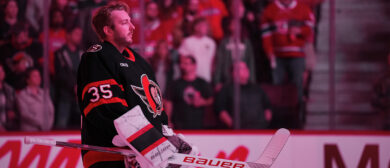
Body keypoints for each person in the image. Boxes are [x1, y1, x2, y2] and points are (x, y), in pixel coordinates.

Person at [77, 2, 194, 167]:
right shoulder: (97, 56)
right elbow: (104, 108)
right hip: (109, 156)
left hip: (141, 156)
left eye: (131, 21)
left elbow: (155, 110)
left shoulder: (141, 62)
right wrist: (146, 144)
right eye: (124, 23)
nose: (132, 27)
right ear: (108, 30)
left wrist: (166, 137)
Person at [261, 0, 315, 103]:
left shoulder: (302, 8)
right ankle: (278, 112)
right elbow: (266, 35)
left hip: (297, 54)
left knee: (297, 85)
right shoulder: (270, 10)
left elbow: (310, 27)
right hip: (277, 55)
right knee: (277, 85)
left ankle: (297, 112)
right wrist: (269, 52)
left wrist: (300, 31)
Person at [215, 61, 272, 129]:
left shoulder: (257, 88)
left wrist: (265, 123)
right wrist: (233, 125)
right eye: (241, 68)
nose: (245, 70)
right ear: (234, 73)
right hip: (240, 131)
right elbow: (221, 110)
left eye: (246, 68)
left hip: (260, 130)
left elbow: (268, 106)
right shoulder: (226, 89)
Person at [165, 55, 213, 129]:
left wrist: (202, 102)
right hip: (179, 126)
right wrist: (168, 121)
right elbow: (168, 102)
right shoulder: (175, 84)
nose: (183, 66)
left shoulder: (202, 83)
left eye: (186, 63)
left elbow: (211, 100)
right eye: (182, 64)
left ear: (194, 65)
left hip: (198, 126)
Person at [54, 25, 83, 129]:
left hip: (80, 93)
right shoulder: (60, 53)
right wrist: (73, 87)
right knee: (61, 123)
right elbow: (61, 74)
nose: (79, 37)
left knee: (84, 123)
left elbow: (86, 71)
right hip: (65, 93)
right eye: (76, 34)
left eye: (80, 34)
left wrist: (80, 87)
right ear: (68, 35)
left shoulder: (82, 53)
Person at [178, 17, 216, 83]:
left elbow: (212, 62)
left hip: (206, 78)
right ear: (196, 27)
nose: (206, 27)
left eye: (207, 25)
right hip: (190, 79)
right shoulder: (187, 41)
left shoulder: (211, 43)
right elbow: (182, 60)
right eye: (203, 25)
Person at [0, 64, 18, 131]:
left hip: (10, 127)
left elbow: (16, 107)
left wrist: (13, 112)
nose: (1, 73)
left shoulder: (9, 89)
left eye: (2, 71)